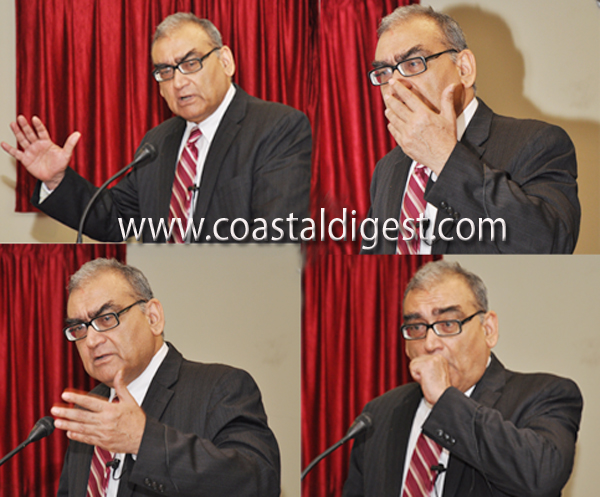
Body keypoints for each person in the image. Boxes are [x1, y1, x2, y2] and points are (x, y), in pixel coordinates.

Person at [1, 13, 311, 243]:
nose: (178, 82)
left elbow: (277, 236)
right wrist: (57, 180)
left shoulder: (277, 127)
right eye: (165, 71)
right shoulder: (158, 141)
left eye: (191, 63)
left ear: (226, 61)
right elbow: (115, 218)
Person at [343, 260, 582, 497]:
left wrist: (445, 400)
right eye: (416, 327)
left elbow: (542, 476)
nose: (429, 344)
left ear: (488, 330)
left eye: (448, 324)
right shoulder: (379, 414)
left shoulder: (546, 395)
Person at [50, 258, 280, 496]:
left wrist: (143, 441)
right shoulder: (89, 410)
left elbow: (259, 482)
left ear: (153, 317)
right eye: (79, 328)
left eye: (106, 318)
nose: (91, 340)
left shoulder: (221, 388)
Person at [361, 5, 579, 254]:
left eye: (412, 63)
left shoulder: (538, 143)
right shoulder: (388, 168)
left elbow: (549, 245)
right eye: (384, 72)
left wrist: (444, 158)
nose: (395, 85)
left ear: (464, 69)